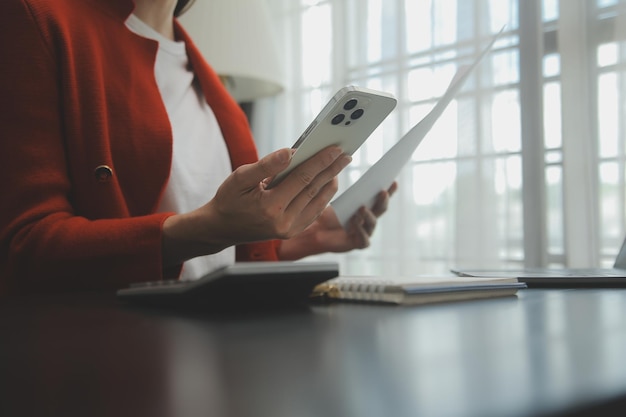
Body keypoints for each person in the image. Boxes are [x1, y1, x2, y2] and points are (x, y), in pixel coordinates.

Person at [0, 0, 396, 295]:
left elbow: (216, 249)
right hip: (111, 369)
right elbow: (22, 247)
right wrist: (207, 229)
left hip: (226, 365)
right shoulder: (35, 18)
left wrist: (303, 235)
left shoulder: (214, 90)